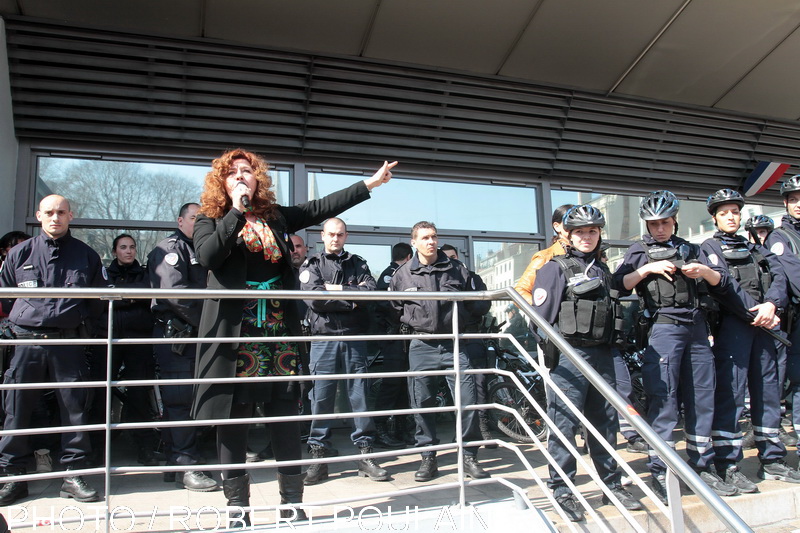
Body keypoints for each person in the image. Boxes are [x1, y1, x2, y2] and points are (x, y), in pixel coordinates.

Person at [192, 148, 395, 527]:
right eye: (233, 173)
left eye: (247, 172)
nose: (240, 177)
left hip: (278, 337)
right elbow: (208, 256)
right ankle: (238, 513)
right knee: (231, 426)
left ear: (259, 179)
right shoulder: (211, 218)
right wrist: (236, 212)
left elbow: (321, 206)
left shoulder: (277, 217)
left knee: (285, 420)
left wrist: (370, 183)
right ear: (223, 182)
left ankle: (292, 505)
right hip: (234, 338)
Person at [612, 190, 735, 502]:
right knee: (663, 399)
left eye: (665, 223)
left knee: (702, 398)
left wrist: (703, 272)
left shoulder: (692, 248)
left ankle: (702, 465)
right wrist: (647, 270)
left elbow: (720, 282)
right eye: (654, 224)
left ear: (675, 221)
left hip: (696, 329)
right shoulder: (639, 250)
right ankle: (660, 470)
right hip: (664, 327)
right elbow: (617, 284)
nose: (660, 229)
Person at [532, 205, 641, 522]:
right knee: (563, 427)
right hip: (570, 359)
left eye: (592, 231)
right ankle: (563, 491)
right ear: (567, 234)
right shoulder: (554, 269)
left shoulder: (603, 270)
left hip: (603, 356)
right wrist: (556, 357)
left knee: (606, 426)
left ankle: (612, 485)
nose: (586, 236)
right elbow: (539, 322)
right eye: (580, 231)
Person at [0, 195, 103, 505]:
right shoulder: (19, 253)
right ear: (38, 215)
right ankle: (13, 476)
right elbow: (6, 298)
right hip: (26, 342)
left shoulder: (86, 256)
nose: (55, 217)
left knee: (74, 410)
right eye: (49, 212)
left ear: (71, 215)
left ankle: (73, 474)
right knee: (15, 410)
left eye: (61, 212)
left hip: (67, 343)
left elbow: (96, 303)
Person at [701, 188, 800, 493]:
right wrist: (754, 311)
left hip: (766, 326)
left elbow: (780, 276)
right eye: (724, 213)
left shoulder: (753, 246)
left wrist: (772, 305)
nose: (730, 217)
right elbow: (723, 286)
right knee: (731, 395)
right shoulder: (709, 246)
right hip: (735, 327)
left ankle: (772, 459)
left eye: (734, 212)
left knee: (769, 391)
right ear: (715, 217)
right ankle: (728, 464)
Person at [389, 221, 491, 482]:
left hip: (454, 344)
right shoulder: (402, 274)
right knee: (421, 403)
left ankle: (468, 455)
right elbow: (394, 308)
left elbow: (478, 302)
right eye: (424, 238)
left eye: (433, 237)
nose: (430, 242)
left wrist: (465, 319)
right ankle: (428, 457)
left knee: (467, 401)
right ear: (414, 242)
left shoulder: (457, 270)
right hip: (421, 345)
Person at [301, 217, 389, 484]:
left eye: (340, 234)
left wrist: (336, 291)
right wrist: (351, 299)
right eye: (330, 234)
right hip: (323, 340)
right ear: (322, 235)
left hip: (354, 339)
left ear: (346, 236)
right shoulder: (312, 264)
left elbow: (369, 293)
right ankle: (319, 457)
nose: (335, 238)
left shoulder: (358, 263)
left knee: (359, 397)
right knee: (321, 399)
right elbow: (315, 298)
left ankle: (365, 454)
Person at [148, 202, 216, 492]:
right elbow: (177, 295)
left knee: (197, 400)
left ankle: (177, 460)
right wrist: (213, 324)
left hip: (197, 337)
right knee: (179, 402)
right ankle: (185, 463)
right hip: (179, 337)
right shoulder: (171, 249)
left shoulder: (203, 249)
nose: (199, 223)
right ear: (180, 221)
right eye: (194, 218)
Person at [104, 234, 158, 465]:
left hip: (139, 341)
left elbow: (148, 295)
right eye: (123, 247)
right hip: (107, 340)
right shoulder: (104, 274)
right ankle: (98, 450)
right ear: (114, 250)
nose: (128, 251)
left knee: (138, 395)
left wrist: (118, 295)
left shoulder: (146, 274)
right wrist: (131, 297)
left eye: (132, 247)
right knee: (100, 394)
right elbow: (100, 298)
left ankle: (145, 448)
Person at [441, 243, 496, 449]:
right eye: (447, 258)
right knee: (457, 389)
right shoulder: (440, 278)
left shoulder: (472, 278)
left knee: (479, 383)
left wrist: (464, 304)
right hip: (447, 340)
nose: (452, 261)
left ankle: (483, 427)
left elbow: (483, 304)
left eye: (454, 256)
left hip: (471, 336)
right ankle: (461, 431)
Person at [763, 176, 800, 453]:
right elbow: (793, 277)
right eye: (794, 200)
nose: (799, 205)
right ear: (786, 204)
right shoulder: (781, 237)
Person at [373, 242, 413, 447]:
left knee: (403, 384)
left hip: (403, 338)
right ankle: (379, 428)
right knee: (391, 384)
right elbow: (384, 304)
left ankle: (401, 428)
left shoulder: (401, 273)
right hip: (393, 337)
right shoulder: (391, 274)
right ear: (408, 257)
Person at [514, 204, 574, 305]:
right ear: (557, 226)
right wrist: (543, 310)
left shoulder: (590, 254)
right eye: (570, 223)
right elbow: (520, 292)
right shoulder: (545, 257)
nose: (575, 227)